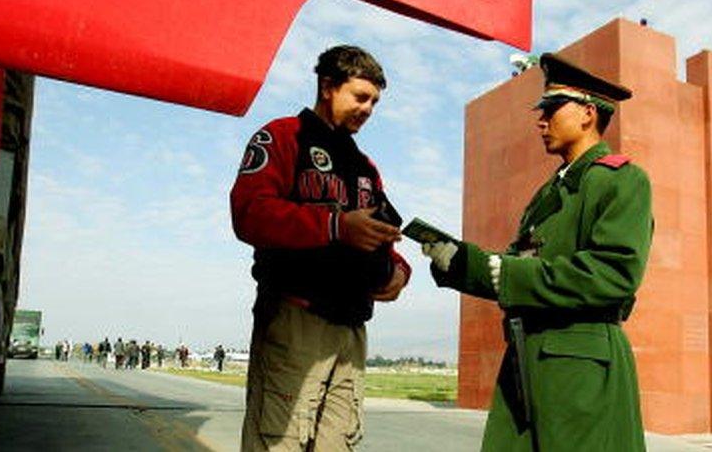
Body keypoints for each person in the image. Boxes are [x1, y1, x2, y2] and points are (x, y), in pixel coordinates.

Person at [420, 53, 654, 451]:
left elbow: (613, 274)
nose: (540, 120)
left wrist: (502, 273)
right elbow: (515, 266)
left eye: (551, 108)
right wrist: (460, 262)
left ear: (586, 113)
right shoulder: (547, 195)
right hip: (527, 361)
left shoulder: (622, 181)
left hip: (582, 368)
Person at [231, 45, 411, 451]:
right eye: (360, 97)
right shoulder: (281, 136)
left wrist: (399, 270)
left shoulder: (366, 167)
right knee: (279, 441)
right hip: (297, 317)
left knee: (339, 443)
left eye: (375, 102)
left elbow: (380, 231)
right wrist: (334, 225)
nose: (368, 109)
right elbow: (249, 213)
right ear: (328, 86)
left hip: (351, 328)